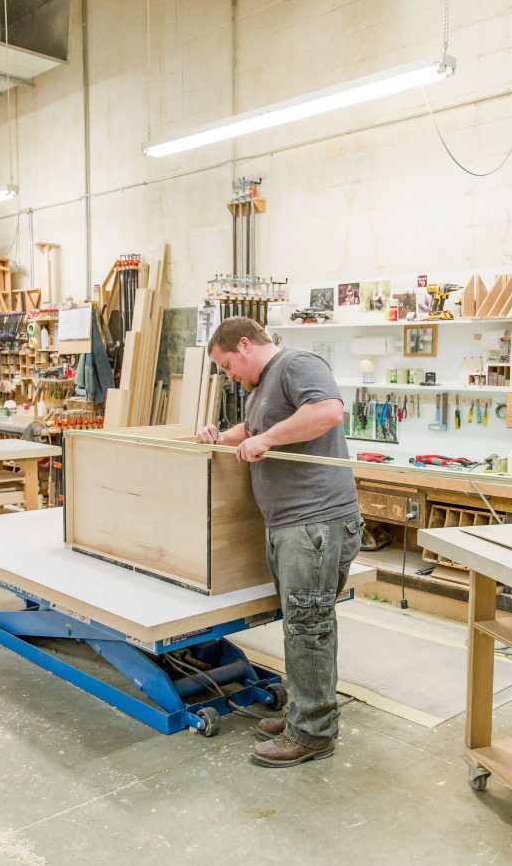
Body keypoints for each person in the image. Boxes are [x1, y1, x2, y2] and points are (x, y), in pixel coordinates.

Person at [195, 316, 362, 768]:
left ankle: (312, 733)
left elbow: (327, 411)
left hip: (316, 522)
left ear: (245, 345)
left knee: (308, 625)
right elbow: (249, 433)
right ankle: (302, 713)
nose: (228, 376)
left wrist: (267, 438)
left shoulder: (296, 364)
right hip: (292, 525)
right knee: (301, 622)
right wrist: (219, 437)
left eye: (228, 366)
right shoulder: (262, 389)